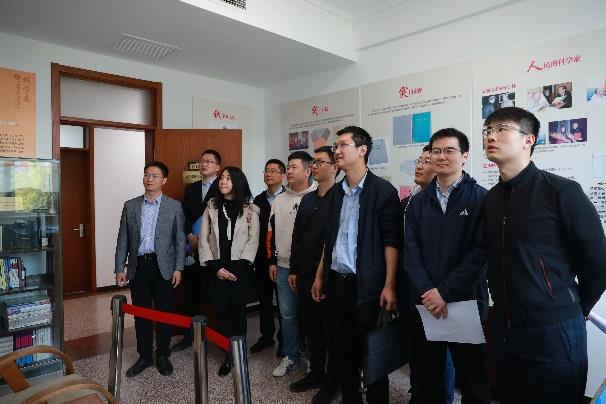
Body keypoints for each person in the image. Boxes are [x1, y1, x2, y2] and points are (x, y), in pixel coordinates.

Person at [483, 107, 606, 403]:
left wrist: (573, 307)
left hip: (553, 329)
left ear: (529, 139)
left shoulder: (561, 191)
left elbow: (598, 261)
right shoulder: (490, 199)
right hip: (503, 326)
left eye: (501, 129)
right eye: (488, 130)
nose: (491, 136)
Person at [312, 126, 401, 403]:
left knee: (372, 353)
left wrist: (389, 285)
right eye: (336, 146)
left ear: (362, 150)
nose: (337, 150)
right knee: (343, 352)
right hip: (336, 284)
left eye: (343, 145)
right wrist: (319, 276)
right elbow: (329, 240)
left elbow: (391, 242)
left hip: (367, 288)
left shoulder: (382, 191)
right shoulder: (336, 193)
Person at [404, 129, 490, 404]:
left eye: (449, 150)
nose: (441, 156)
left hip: (465, 302)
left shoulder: (481, 198)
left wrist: (444, 292)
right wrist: (429, 292)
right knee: (427, 377)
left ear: (464, 156)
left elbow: (480, 253)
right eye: (436, 151)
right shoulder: (418, 202)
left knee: (473, 381)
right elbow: (411, 253)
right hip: (426, 302)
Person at [115, 161, 185, 377]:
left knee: (164, 312)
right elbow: (123, 239)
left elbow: (180, 240)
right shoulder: (131, 206)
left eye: (155, 176)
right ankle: (144, 355)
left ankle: (163, 354)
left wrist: (179, 268)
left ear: (164, 180)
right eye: (146, 174)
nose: (149, 179)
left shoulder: (174, 206)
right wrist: (119, 268)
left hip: (163, 266)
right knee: (141, 313)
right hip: (138, 266)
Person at [401, 145, 456, 404]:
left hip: (439, 293)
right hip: (412, 290)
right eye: (419, 160)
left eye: (427, 161)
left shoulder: (451, 202)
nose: (420, 165)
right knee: (417, 352)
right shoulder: (408, 202)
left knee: (442, 356)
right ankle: (417, 394)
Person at [288, 146, 339, 403]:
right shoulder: (308, 199)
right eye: (314, 162)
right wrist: (294, 269)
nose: (315, 166)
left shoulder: (340, 197)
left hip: (329, 275)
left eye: (321, 162)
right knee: (310, 325)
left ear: (335, 167)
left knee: (331, 329)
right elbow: (297, 236)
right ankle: (316, 372)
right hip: (305, 272)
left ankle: (333, 381)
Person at [199, 167, 260, 376]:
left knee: (238, 314)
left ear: (238, 182)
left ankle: (239, 353)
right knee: (222, 313)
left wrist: (238, 270)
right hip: (217, 267)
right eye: (222, 178)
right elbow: (204, 240)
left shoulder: (250, 209)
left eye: (228, 178)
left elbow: (253, 241)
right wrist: (216, 268)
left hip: (240, 269)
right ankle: (228, 354)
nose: (223, 181)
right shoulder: (211, 206)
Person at [268, 151, 318, 377]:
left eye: (293, 167)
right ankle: (291, 356)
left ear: (308, 171)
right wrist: (272, 261)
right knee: (287, 315)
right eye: (287, 167)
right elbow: (271, 234)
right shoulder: (279, 199)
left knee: (311, 316)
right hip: (283, 266)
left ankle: (314, 359)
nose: (288, 171)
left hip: (309, 269)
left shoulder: (318, 196)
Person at [173, 149, 221, 352]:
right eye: (202, 161)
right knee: (191, 295)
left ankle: (221, 339)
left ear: (218, 167)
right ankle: (188, 336)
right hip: (192, 249)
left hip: (215, 252)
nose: (204, 164)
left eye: (209, 161)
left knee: (216, 296)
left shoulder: (223, 186)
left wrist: (205, 238)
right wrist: (189, 235)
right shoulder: (192, 188)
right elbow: (183, 216)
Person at [250, 159, 286, 356]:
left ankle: (285, 340)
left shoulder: (289, 198)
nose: (269, 174)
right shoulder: (258, 200)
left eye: (273, 171)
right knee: (264, 300)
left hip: (282, 259)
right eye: (266, 171)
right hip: (262, 258)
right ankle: (266, 336)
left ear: (283, 175)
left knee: (283, 302)